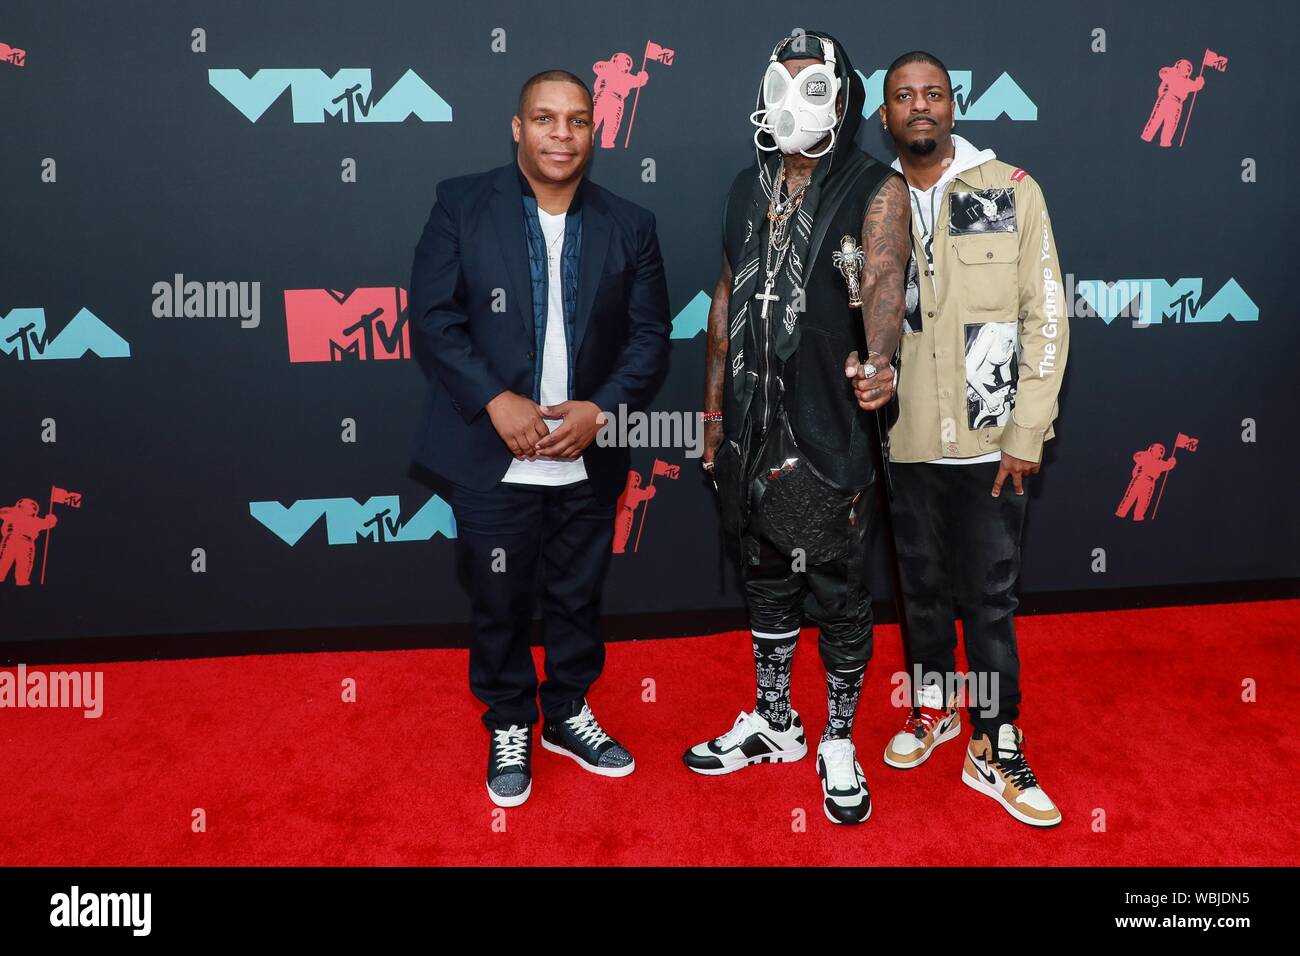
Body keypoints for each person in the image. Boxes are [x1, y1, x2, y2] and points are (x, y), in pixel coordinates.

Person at [409, 69, 671, 807]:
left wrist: (602, 409)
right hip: (490, 452)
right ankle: (509, 719)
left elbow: (651, 337)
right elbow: (433, 316)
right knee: (497, 598)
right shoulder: (461, 204)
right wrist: (495, 400)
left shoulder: (631, 223)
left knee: (578, 594)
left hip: (586, 454)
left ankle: (567, 713)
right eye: (546, 119)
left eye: (578, 120)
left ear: (597, 129)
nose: (563, 133)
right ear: (517, 127)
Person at [683, 31, 910, 826]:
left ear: (843, 98)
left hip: (828, 424)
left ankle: (838, 738)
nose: (790, 103)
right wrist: (712, 415)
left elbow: (883, 277)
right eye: (779, 85)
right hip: (750, 423)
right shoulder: (748, 185)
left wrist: (878, 360)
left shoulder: (873, 186)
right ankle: (776, 724)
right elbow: (721, 298)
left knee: (840, 592)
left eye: (812, 88)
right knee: (766, 574)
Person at [876, 51, 1069, 827]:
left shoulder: (1009, 191)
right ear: (883, 114)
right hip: (901, 440)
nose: (919, 106)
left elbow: (1044, 315)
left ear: (953, 106)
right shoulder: (872, 198)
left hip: (993, 442)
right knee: (919, 592)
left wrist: (1027, 429)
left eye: (933, 94)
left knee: (987, 601)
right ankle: (936, 710)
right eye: (902, 96)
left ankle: (995, 738)